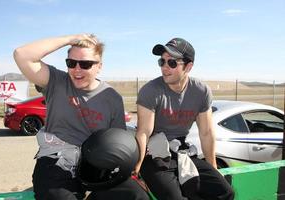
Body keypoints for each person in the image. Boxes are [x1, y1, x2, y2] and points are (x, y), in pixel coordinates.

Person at [13, 34, 149, 200]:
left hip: (96, 165)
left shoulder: (112, 98)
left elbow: (118, 143)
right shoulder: (57, 82)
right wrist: (70, 40)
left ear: (99, 66)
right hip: (56, 162)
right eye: (71, 63)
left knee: (137, 195)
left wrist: (130, 173)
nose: (77, 69)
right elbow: (22, 54)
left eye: (85, 64)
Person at [134, 38, 235, 200]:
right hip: (153, 156)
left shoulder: (201, 91)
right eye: (162, 61)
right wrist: (137, 167)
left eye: (172, 63)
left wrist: (213, 168)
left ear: (188, 66)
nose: (165, 68)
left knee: (225, 192)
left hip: (182, 152)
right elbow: (143, 132)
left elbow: (207, 132)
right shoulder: (150, 90)